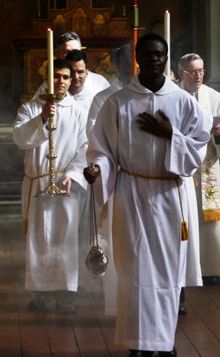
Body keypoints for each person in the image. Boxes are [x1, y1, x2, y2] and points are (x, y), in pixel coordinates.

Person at [84, 34, 211, 357]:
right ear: (138, 58)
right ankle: (139, 345)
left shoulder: (182, 101)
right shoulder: (119, 102)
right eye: (148, 54)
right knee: (134, 270)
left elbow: (198, 150)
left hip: (168, 194)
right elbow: (102, 149)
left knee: (168, 271)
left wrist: (170, 135)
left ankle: (164, 341)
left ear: (166, 58)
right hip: (131, 193)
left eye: (159, 54)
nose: (154, 59)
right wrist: (97, 170)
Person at [13, 59, 89, 315]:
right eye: (56, 76)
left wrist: (73, 173)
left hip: (65, 185)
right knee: (38, 240)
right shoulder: (30, 108)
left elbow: (85, 147)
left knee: (65, 239)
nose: (61, 81)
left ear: (71, 80)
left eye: (66, 77)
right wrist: (43, 119)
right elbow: (21, 139)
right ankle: (40, 292)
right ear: (46, 77)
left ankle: (66, 294)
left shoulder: (77, 111)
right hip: (38, 183)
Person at [178, 53, 220, 286]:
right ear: (182, 73)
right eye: (193, 71)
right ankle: (182, 264)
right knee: (182, 216)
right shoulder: (173, 96)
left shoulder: (216, 98)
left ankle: (210, 266)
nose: (198, 75)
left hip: (206, 167)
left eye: (201, 70)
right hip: (181, 165)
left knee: (207, 218)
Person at [86, 44, 134, 316]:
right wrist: (99, 168)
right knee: (118, 246)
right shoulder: (104, 99)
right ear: (116, 66)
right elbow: (96, 143)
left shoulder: (158, 95)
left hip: (149, 184)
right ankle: (118, 306)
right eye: (126, 63)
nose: (131, 69)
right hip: (117, 183)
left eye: (135, 62)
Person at [34, 31, 110, 98]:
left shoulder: (99, 82)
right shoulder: (50, 84)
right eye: (66, 52)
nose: (72, 55)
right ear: (58, 54)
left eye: (75, 51)